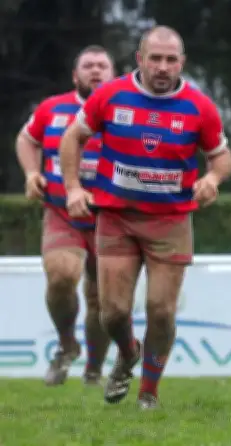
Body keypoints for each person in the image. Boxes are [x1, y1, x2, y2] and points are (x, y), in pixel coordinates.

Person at [58, 26, 231, 409]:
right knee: (114, 313)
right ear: (140, 59)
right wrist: (73, 188)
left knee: (161, 309)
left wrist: (213, 178)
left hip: (170, 221)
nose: (162, 66)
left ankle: (149, 392)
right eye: (155, 58)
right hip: (117, 217)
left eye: (171, 60)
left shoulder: (199, 106)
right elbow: (72, 137)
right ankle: (127, 351)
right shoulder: (111, 94)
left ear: (181, 63)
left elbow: (220, 154)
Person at [14, 45, 115, 387]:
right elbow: (26, 140)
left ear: (113, 75)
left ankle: (95, 369)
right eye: (88, 65)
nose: (96, 71)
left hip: (111, 217)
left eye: (103, 66)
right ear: (76, 75)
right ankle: (67, 344)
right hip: (62, 211)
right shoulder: (52, 108)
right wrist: (31, 174)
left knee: (102, 300)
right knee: (60, 276)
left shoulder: (127, 112)